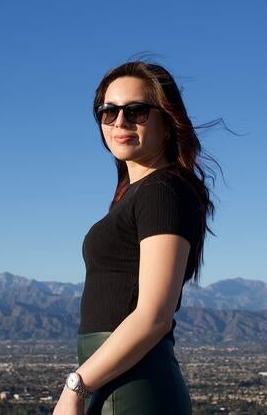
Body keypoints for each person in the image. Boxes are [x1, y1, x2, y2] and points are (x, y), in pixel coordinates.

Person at [53, 60, 223, 415]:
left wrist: (76, 387)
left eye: (136, 111)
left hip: (134, 387)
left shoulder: (162, 190)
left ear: (167, 120)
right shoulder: (137, 193)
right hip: (114, 381)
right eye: (108, 112)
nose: (120, 122)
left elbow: (153, 316)